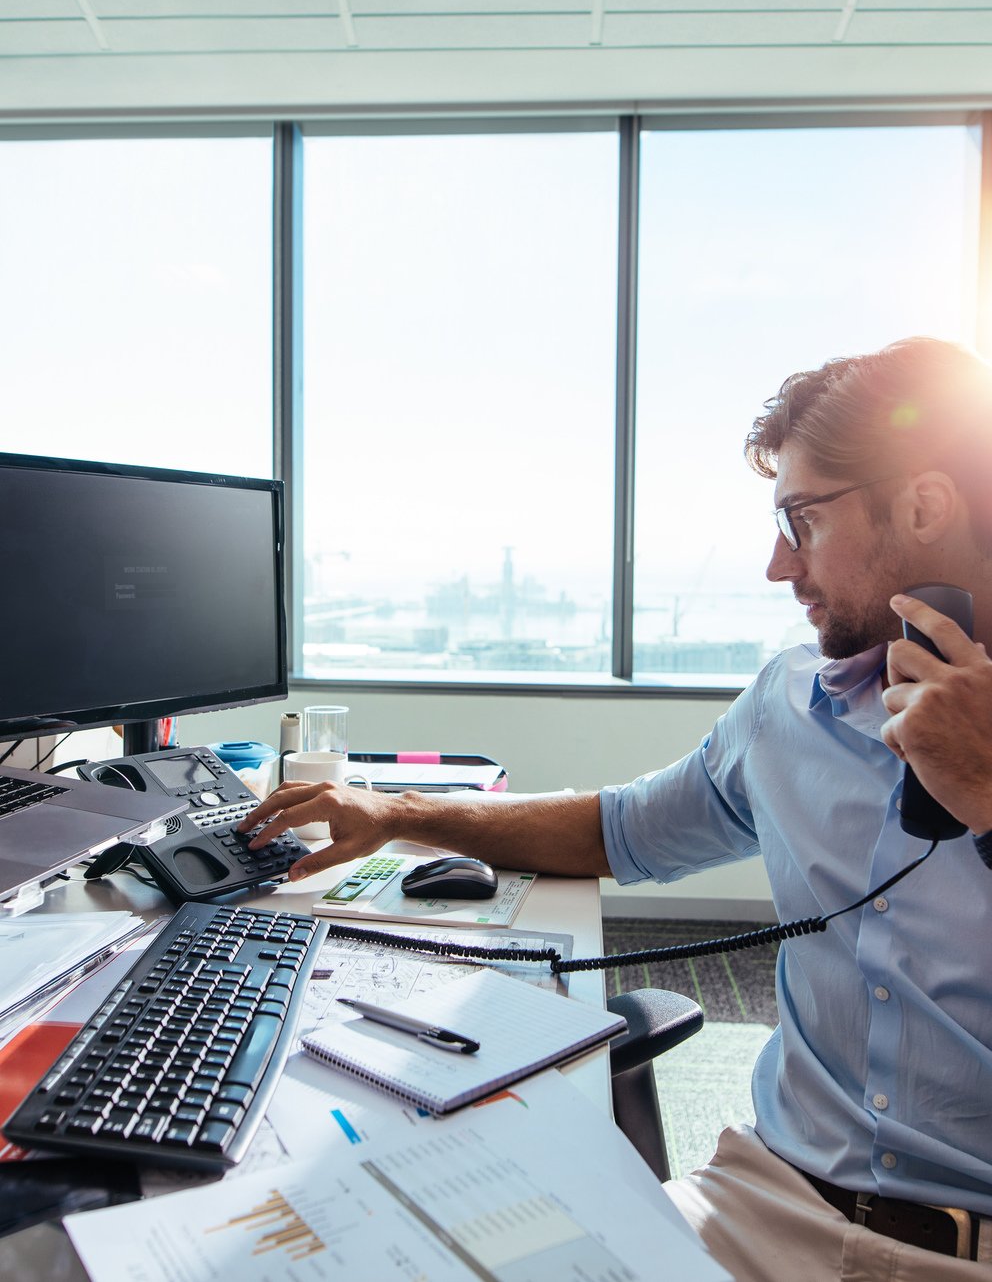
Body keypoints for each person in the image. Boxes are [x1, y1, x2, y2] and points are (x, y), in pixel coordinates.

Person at [242, 336, 992, 1279]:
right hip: (768, 1200)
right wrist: (397, 811)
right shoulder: (787, 705)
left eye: (801, 519)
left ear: (923, 505)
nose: (776, 564)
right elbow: (620, 828)